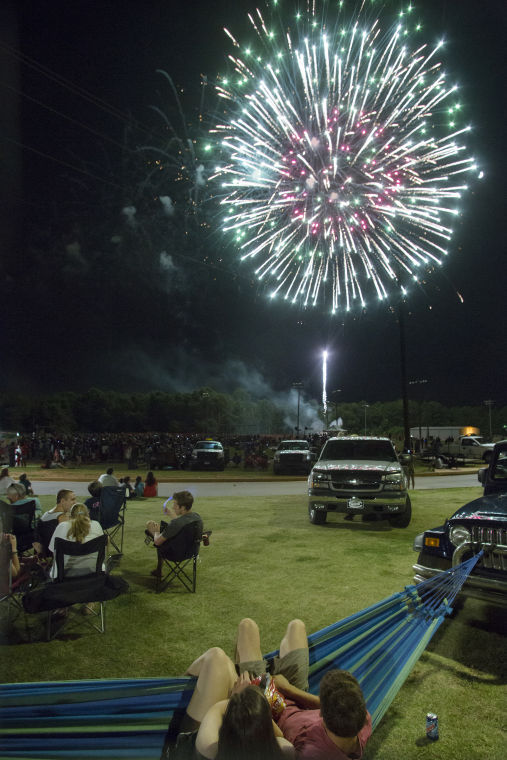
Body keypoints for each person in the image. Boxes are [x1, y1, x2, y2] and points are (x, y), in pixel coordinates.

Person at [234, 618, 372, 760]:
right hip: (296, 700)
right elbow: (332, 706)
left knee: (247, 627)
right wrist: (288, 689)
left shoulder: (310, 753)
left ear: (322, 714)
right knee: (297, 626)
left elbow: (275, 740)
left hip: (267, 713)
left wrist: (249, 699)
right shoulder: (362, 718)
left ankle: (237, 674)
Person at [165, 647, 293, 759]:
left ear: (226, 731)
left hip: (189, 751)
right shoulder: (284, 752)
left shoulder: (207, 747)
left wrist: (239, 696)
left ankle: (172, 688)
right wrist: (254, 705)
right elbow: (278, 735)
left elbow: (219, 709)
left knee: (216, 658)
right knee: (225, 665)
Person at [145, 490, 202, 577]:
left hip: (175, 554)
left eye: (175, 504)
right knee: (164, 530)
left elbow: (157, 542)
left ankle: (159, 570)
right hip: (192, 552)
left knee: (151, 526)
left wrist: (155, 531)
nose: (173, 506)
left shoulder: (176, 523)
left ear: (182, 507)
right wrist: (172, 516)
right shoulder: (197, 517)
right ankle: (158, 570)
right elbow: (181, 523)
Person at [48, 502, 104, 579]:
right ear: (88, 513)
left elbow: (52, 550)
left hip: (65, 576)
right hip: (93, 573)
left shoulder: (62, 526)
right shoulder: (96, 525)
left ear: (70, 515)